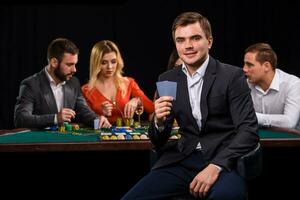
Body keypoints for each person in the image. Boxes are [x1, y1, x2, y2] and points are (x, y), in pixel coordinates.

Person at [122, 12, 259, 200]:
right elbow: (158, 141)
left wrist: (215, 167)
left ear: (209, 41)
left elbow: (248, 131)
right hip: (182, 160)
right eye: (181, 40)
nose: (188, 46)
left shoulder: (232, 76)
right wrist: (159, 122)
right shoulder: (167, 79)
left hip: (224, 162)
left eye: (195, 38)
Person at [14, 38, 111, 129]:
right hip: (41, 143)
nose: (74, 69)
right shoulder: (31, 84)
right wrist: (56, 118)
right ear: (54, 62)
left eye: (75, 64)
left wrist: (97, 119)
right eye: (69, 65)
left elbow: (84, 111)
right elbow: (21, 119)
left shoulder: (73, 82)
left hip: (67, 143)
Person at [81, 40, 154, 125]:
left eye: (113, 61)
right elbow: (86, 121)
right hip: (99, 136)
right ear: (96, 63)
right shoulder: (86, 90)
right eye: (104, 62)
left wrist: (137, 101)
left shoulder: (129, 83)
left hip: (126, 136)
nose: (110, 67)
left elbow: (153, 109)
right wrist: (101, 114)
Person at [243, 43, 300, 130]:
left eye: (249, 65)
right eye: (244, 64)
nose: (244, 69)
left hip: (288, 141)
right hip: (254, 140)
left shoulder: (292, 84)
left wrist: (253, 117)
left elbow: (290, 122)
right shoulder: (245, 85)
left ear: (266, 66)